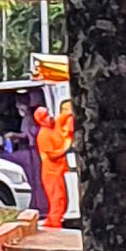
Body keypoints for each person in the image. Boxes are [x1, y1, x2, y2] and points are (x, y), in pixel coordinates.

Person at [32, 92, 74, 229]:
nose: (49, 117)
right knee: (57, 200)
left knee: (61, 199)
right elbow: (52, 155)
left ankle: (54, 222)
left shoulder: (54, 124)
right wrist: (66, 147)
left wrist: (71, 110)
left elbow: (64, 116)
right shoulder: (43, 135)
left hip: (58, 170)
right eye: (45, 116)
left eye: (48, 114)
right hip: (51, 173)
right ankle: (54, 225)